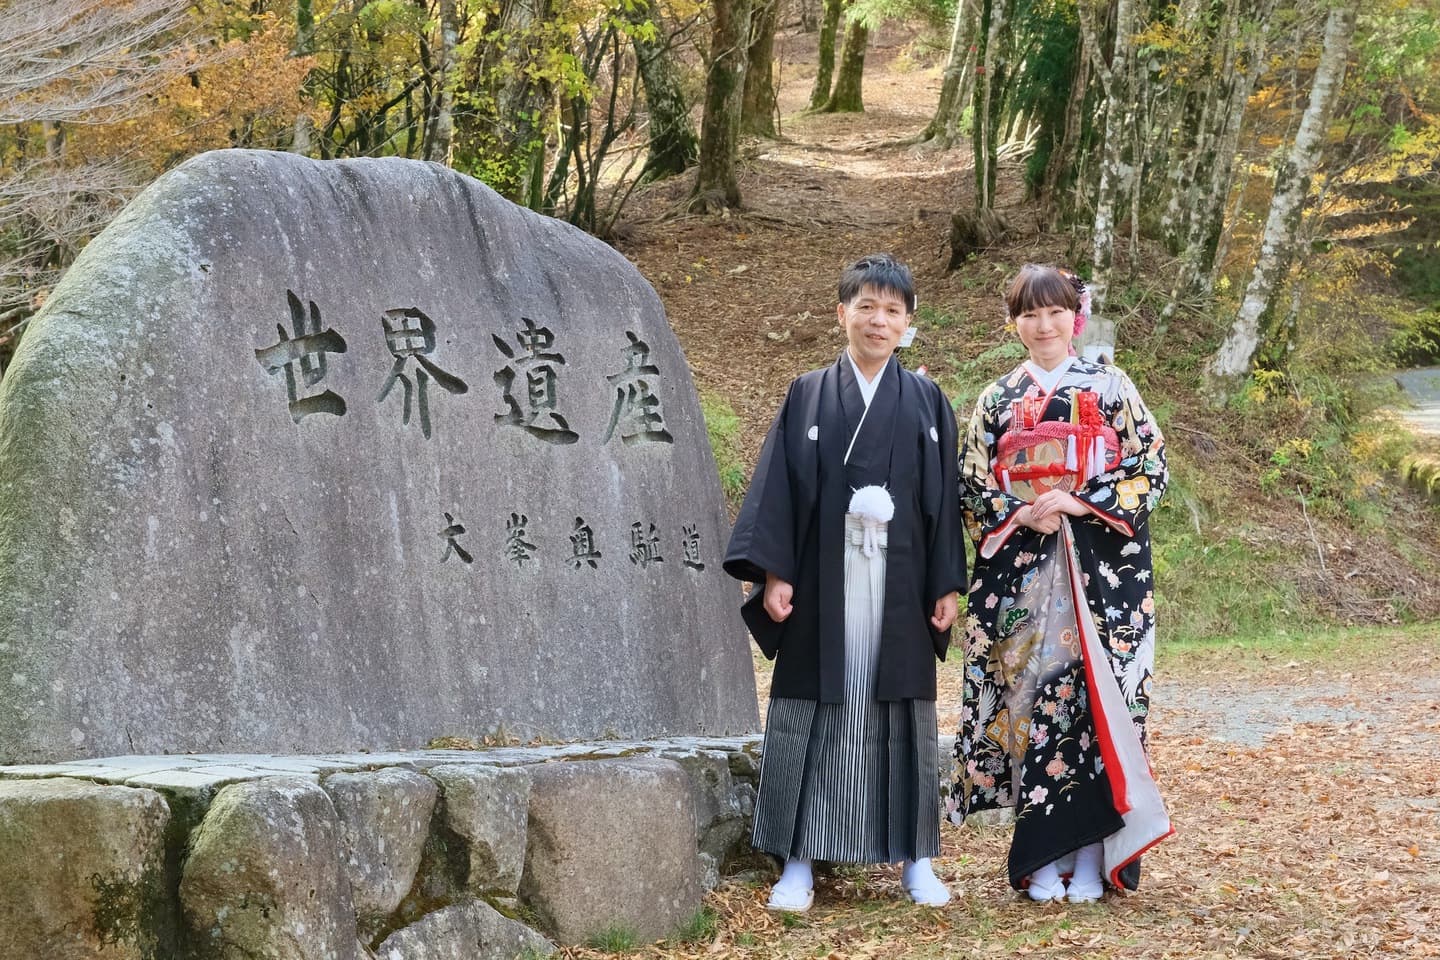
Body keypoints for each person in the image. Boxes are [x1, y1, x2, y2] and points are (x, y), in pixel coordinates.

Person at [724, 253, 966, 912]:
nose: (878, 321)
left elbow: (942, 500)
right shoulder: (807, 392)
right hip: (822, 581)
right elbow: (779, 488)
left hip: (901, 577)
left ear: (908, 322)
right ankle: (798, 861)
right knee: (813, 706)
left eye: (892, 310)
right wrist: (775, 572)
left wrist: (945, 583)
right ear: (842, 313)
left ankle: (916, 860)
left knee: (901, 709)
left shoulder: (926, 401)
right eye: (867, 307)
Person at [948, 263, 1171, 903]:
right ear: (1013, 322)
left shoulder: (1112, 385)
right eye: (1029, 314)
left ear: (1076, 318)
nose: (1043, 325)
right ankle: (1043, 856)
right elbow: (970, 483)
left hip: (1100, 574)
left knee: (1100, 705)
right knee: (1032, 701)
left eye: (1055, 312)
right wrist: (1020, 512)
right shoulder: (996, 398)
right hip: (1023, 572)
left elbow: (1150, 463)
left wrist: (1079, 501)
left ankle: (1095, 855)